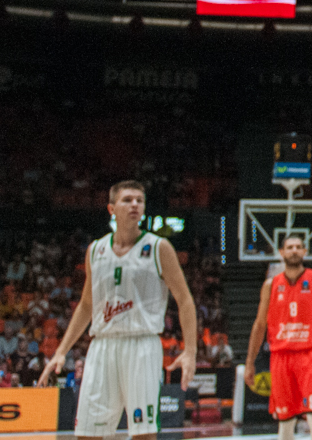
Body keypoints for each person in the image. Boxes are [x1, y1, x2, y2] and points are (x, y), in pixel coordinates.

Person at [38, 181, 198, 437]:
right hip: (102, 346)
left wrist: (190, 351)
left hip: (142, 344)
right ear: (111, 208)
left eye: (139, 200)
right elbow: (87, 304)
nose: (135, 205)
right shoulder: (95, 250)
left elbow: (185, 300)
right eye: (127, 200)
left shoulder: (159, 247)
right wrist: (61, 351)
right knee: (86, 433)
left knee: (143, 432)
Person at [244, 234, 312, 440]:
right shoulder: (270, 285)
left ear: (305, 252)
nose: (294, 250)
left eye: (298, 247)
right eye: (290, 247)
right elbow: (259, 325)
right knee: (285, 420)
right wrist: (249, 362)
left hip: (309, 354)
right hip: (280, 356)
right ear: (281, 252)